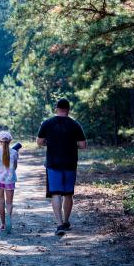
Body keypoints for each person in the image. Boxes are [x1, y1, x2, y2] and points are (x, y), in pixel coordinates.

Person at [37, 99, 87, 236]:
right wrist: (71, 145)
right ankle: (66, 221)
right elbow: (83, 145)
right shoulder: (75, 124)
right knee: (68, 194)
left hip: (53, 164)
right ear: (69, 109)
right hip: (70, 163)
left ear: (56, 108)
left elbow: (40, 142)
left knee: (56, 193)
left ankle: (59, 225)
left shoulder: (47, 123)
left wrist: (52, 143)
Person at [0, 131, 19, 233]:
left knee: (1, 201)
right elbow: (14, 168)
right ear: (10, 141)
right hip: (10, 180)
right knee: (9, 203)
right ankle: (9, 219)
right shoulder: (14, 153)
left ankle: (3, 224)